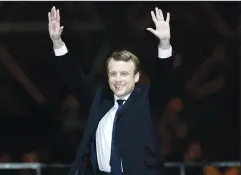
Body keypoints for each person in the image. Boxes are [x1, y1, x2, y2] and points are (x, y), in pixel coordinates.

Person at [48, 5, 175, 175]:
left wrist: (165, 44)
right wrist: (58, 42)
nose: (118, 79)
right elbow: (76, 80)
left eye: (124, 74)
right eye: (113, 74)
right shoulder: (100, 100)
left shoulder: (146, 101)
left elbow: (163, 81)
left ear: (136, 77)